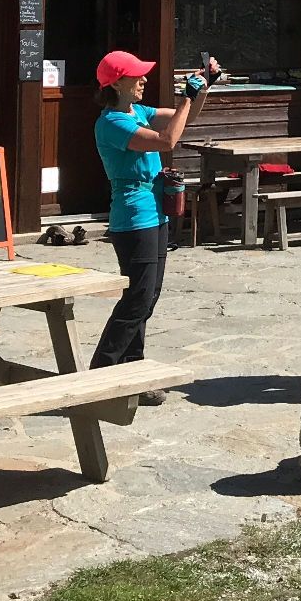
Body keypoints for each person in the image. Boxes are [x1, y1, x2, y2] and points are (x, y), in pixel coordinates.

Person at [89, 47, 218, 391]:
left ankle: (133, 374)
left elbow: (186, 119)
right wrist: (186, 96)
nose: (144, 79)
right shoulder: (112, 122)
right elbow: (167, 140)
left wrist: (202, 88)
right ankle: (100, 374)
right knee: (138, 298)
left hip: (154, 212)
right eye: (137, 75)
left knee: (148, 295)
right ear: (117, 84)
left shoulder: (138, 111)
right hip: (134, 217)